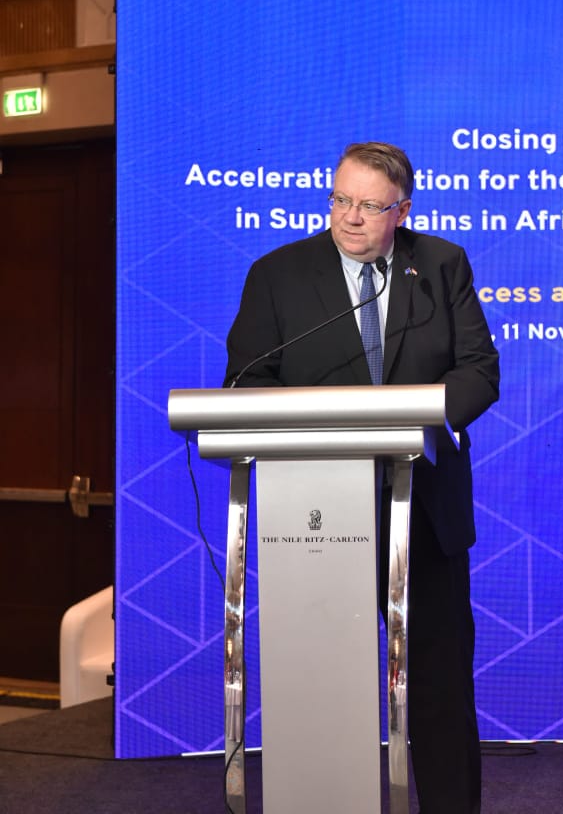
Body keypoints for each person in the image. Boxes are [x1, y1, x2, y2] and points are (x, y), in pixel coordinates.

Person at [224, 141, 499, 814]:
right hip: (314, 512)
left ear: (402, 211)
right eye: (341, 200)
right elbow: (247, 379)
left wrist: (423, 418)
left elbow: (477, 369)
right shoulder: (278, 275)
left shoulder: (440, 265)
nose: (350, 217)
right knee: (323, 675)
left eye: (370, 206)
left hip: (422, 507)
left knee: (438, 681)